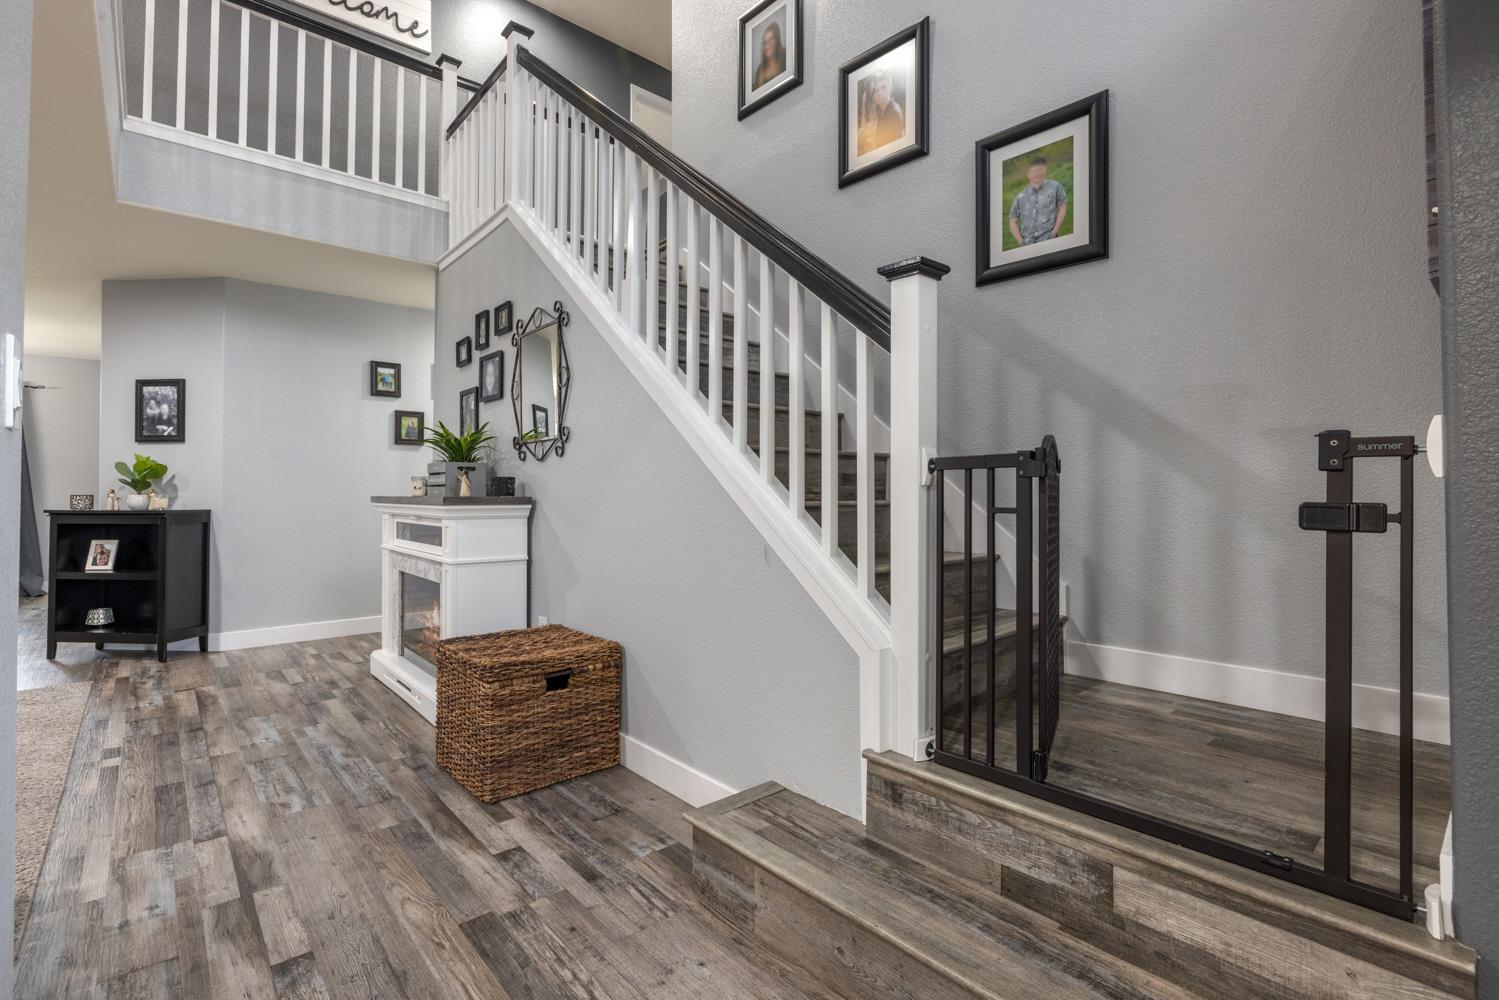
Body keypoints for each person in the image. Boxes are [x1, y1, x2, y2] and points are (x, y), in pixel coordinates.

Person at [1008, 155, 1069, 246]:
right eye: (1034, 171)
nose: (1038, 173)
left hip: (1049, 239)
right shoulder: (1020, 197)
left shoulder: (1055, 186)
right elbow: (1013, 220)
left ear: (1045, 170)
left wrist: (1055, 231)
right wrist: (1020, 241)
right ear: (1028, 174)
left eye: (1040, 169)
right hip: (1028, 244)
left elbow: (1062, 206)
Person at [862, 71, 905, 153]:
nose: (879, 93)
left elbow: (891, 149)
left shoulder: (893, 113)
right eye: (876, 90)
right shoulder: (881, 111)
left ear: (890, 88)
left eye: (883, 87)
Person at [753, 19, 786, 90]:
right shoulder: (760, 69)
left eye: (771, 39)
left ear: (777, 40)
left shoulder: (785, 55)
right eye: (765, 42)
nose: (767, 46)